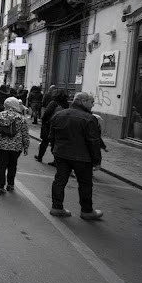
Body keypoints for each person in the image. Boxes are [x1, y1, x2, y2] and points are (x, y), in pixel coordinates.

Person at [48, 92, 103, 220]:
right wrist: (97, 161)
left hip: (61, 154)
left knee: (59, 181)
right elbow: (93, 141)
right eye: (91, 102)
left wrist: (55, 149)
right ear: (83, 101)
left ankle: (57, 207)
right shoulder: (89, 118)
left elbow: (52, 135)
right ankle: (87, 211)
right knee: (85, 184)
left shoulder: (59, 114)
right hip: (82, 157)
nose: (93, 105)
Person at [0, 97, 30, 195]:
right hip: (16, 146)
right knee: (13, 165)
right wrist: (26, 146)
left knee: (2, 165)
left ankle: (0, 186)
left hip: (2, 145)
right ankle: (10, 184)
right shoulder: (21, 118)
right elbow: (25, 134)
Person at [35, 89, 69, 164]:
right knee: (55, 144)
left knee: (45, 142)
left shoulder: (53, 103)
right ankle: (56, 161)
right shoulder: (66, 104)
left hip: (49, 125)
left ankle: (40, 157)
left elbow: (47, 113)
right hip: (59, 126)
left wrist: (43, 119)